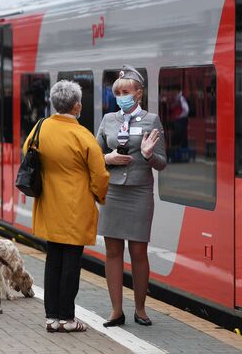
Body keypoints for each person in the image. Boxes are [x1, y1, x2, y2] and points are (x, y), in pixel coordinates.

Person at [22, 80, 109, 333]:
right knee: (71, 262)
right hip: (75, 207)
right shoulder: (82, 135)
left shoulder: (40, 127)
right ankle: (68, 319)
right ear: (77, 106)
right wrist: (99, 196)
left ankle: (51, 318)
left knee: (53, 260)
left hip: (49, 205)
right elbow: (100, 175)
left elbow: (28, 152)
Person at [96, 65, 167, 327]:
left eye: (126, 91)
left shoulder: (152, 120)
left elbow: (162, 163)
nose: (121, 96)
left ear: (139, 93)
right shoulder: (108, 121)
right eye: (117, 92)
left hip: (139, 192)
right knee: (112, 251)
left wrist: (149, 154)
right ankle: (116, 310)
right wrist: (108, 158)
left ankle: (140, 309)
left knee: (139, 252)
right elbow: (94, 156)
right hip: (113, 192)